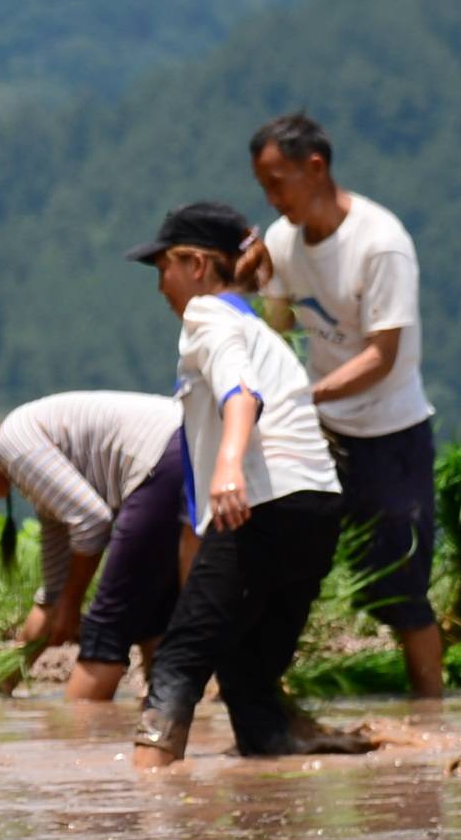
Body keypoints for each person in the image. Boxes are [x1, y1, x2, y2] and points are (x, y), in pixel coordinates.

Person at [124, 200, 367, 769]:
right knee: (248, 672)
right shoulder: (264, 334)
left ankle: (145, 807)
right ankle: (270, 798)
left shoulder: (207, 316)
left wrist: (229, 466)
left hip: (260, 501)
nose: (161, 286)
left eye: (164, 268)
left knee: (179, 661)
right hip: (317, 509)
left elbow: (240, 394)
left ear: (198, 266)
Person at [242, 111, 442, 697]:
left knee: (399, 590)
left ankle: (430, 709)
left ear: (316, 167)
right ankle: (269, 692)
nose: (272, 198)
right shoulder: (281, 243)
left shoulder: (380, 244)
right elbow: (278, 331)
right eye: (263, 187)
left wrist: (301, 394)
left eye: (278, 182)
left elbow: (382, 355)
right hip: (321, 433)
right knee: (291, 566)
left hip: (390, 434)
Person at [0, 392, 185, 702]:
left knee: (106, 627)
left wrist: (71, 607)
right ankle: (166, 718)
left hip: (165, 458)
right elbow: (52, 596)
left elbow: (92, 521)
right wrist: (0, 684)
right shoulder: (40, 470)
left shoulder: (14, 447)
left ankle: (80, 735)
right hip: (184, 448)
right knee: (154, 613)